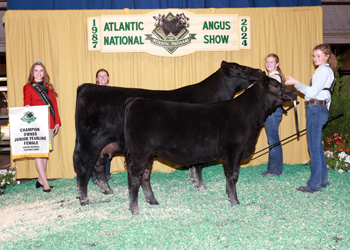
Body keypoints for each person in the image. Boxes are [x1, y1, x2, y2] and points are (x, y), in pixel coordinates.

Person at [285, 44, 337, 193]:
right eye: (314, 56)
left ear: (327, 56)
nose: (315, 58)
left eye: (318, 56)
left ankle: (314, 185)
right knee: (317, 148)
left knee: (313, 148)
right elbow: (323, 95)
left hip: (315, 109)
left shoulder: (323, 71)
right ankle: (322, 180)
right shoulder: (326, 71)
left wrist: (297, 83)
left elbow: (312, 92)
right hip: (319, 109)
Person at [23, 60, 61, 192]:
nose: (39, 73)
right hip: (36, 123)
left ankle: (40, 179)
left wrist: (57, 122)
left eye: (41, 70)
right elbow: (27, 102)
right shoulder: (28, 87)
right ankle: (45, 181)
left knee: (44, 152)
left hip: (49, 121)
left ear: (44, 72)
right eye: (36, 70)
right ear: (32, 73)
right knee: (39, 152)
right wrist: (27, 107)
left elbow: (54, 106)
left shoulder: (49, 86)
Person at [262, 54, 286, 177]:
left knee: (273, 139)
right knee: (272, 139)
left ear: (277, 64)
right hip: (272, 111)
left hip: (273, 111)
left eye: (271, 62)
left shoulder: (274, 77)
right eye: (267, 62)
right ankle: (272, 168)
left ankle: (275, 170)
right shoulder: (270, 77)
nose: (269, 64)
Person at [90, 68, 113, 184]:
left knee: (108, 150)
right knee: (96, 151)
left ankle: (107, 174)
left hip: (109, 125)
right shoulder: (92, 93)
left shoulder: (113, 92)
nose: (103, 78)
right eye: (100, 76)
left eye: (105, 76)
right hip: (96, 126)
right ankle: (95, 176)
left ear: (108, 78)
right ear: (97, 79)